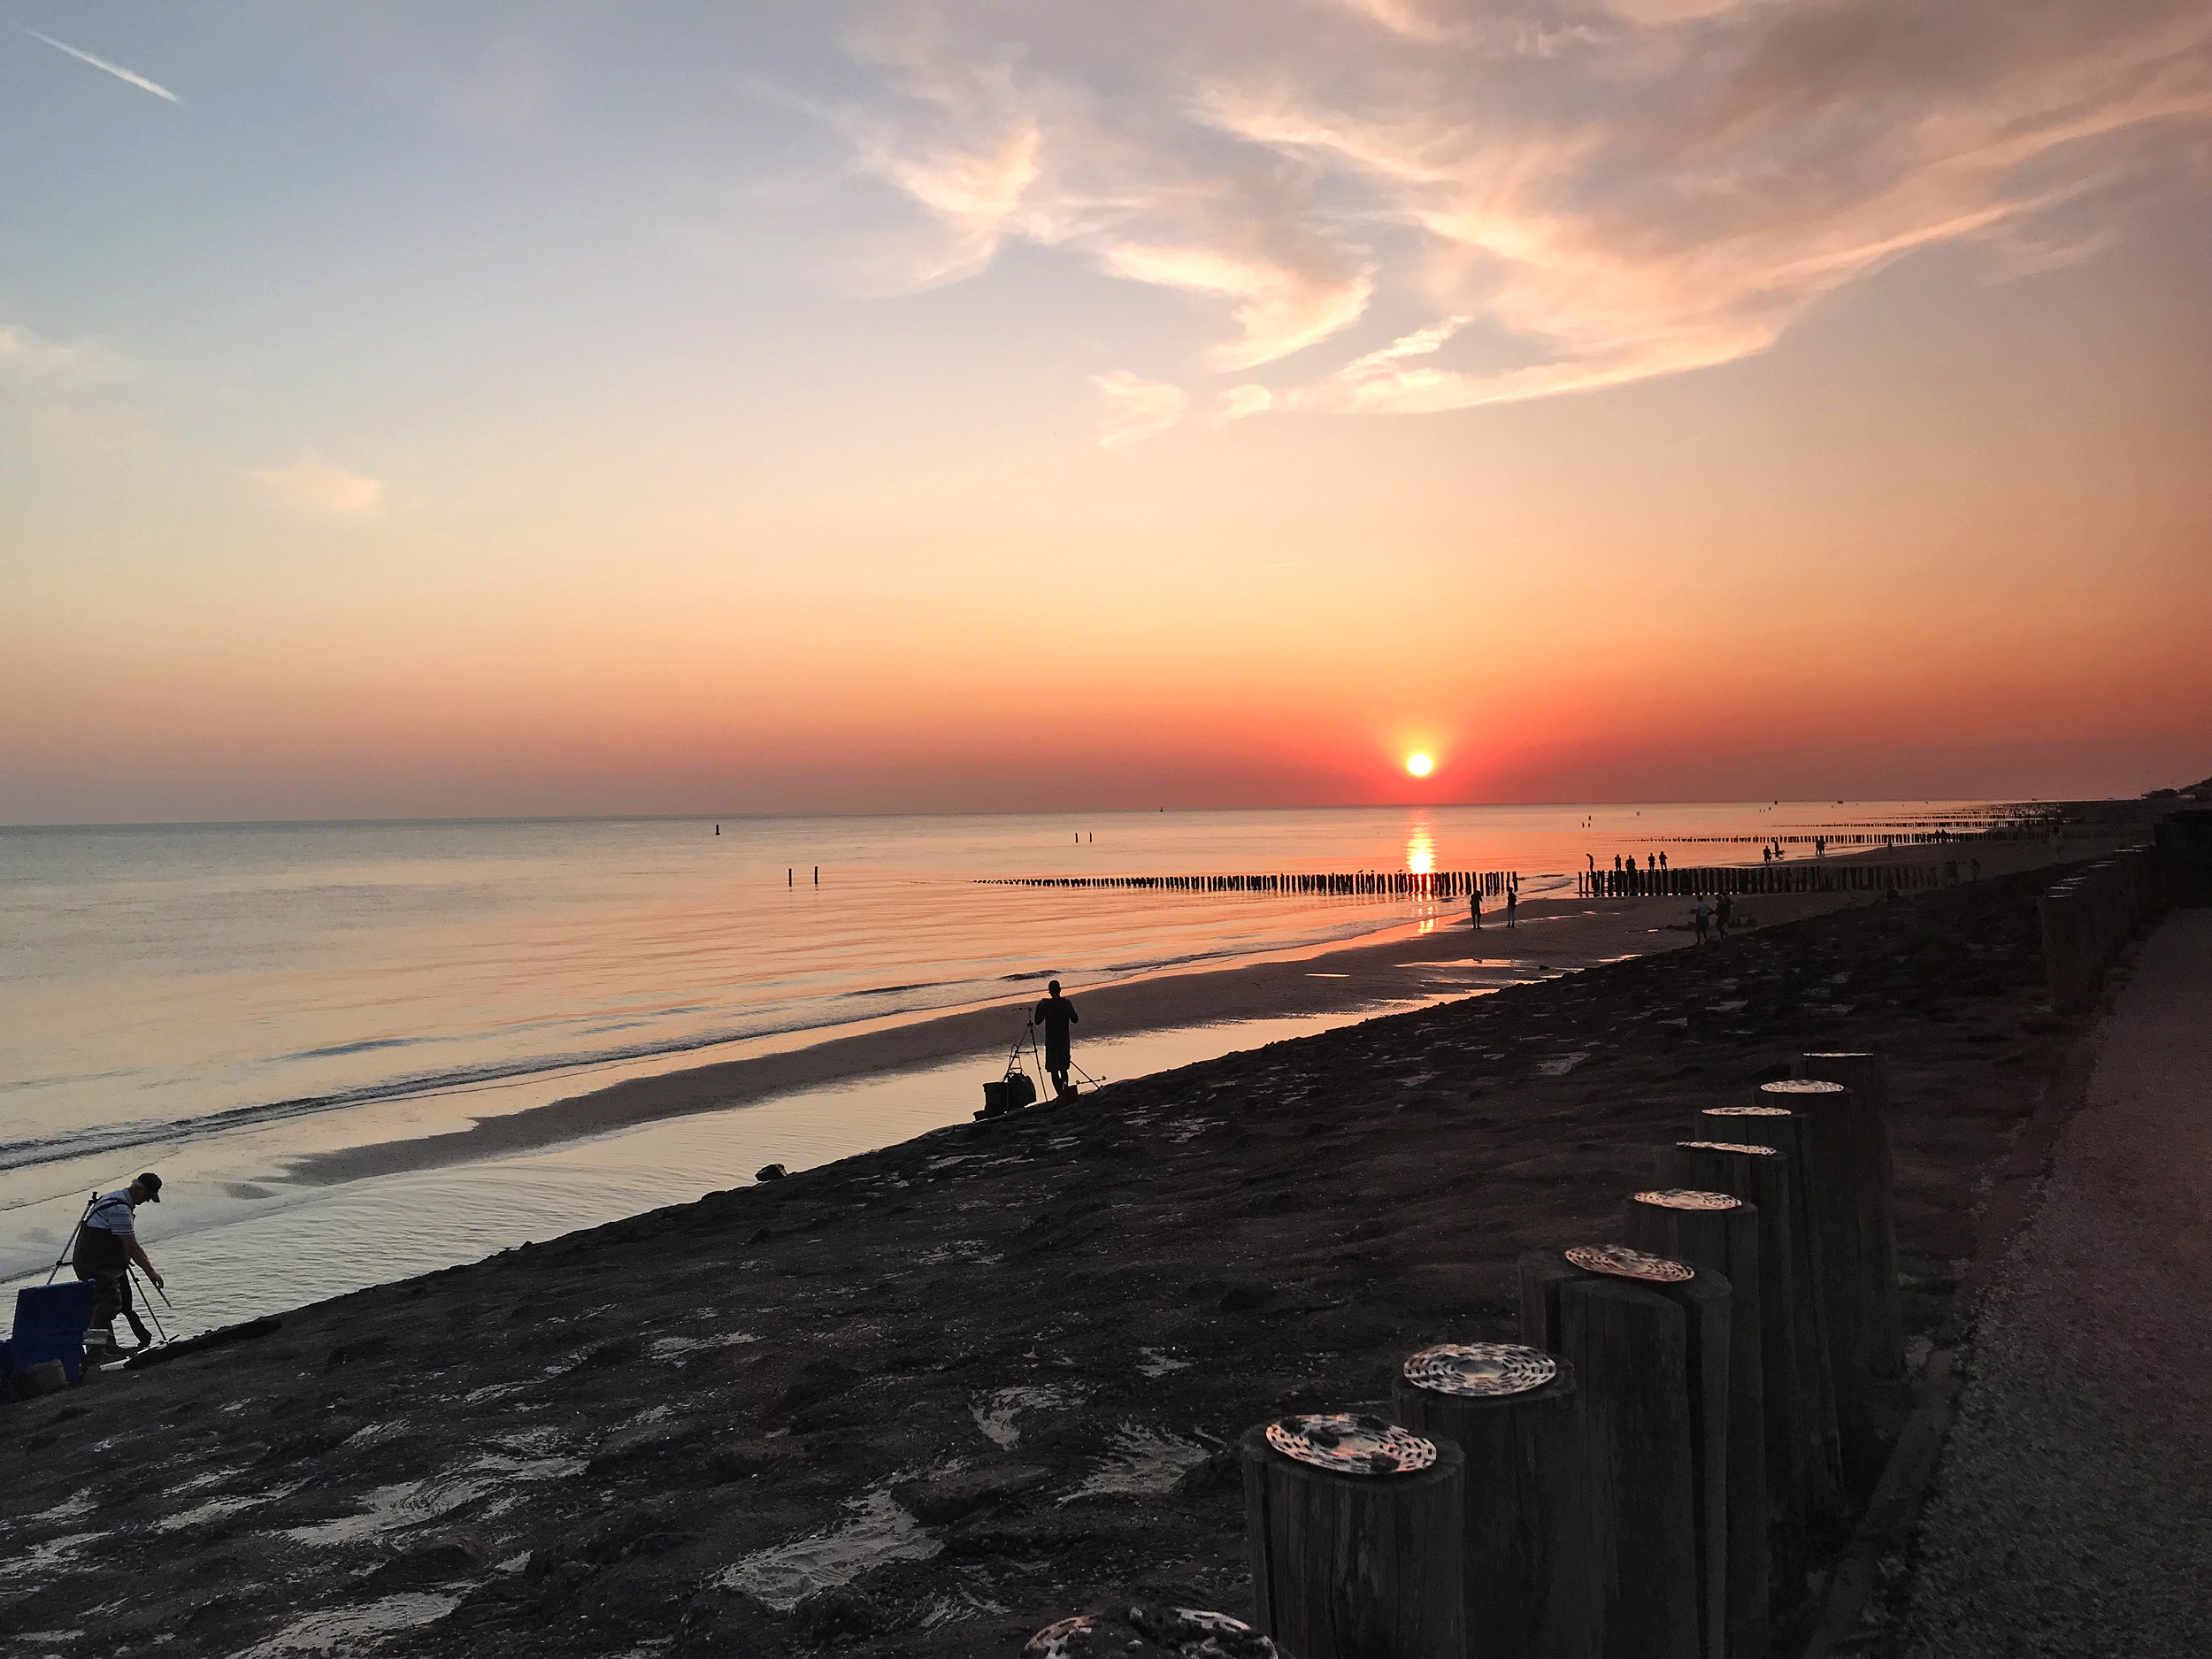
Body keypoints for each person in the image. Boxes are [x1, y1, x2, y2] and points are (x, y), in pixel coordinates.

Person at [73, 1172, 164, 1356]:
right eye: (148, 1195)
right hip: (93, 1263)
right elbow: (132, 1246)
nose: (147, 1200)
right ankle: (94, 1351)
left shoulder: (114, 1197)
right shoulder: (120, 1209)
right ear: (138, 1189)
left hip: (103, 1260)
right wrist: (151, 1273)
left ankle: (108, 1346)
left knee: (113, 1301)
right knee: (108, 1303)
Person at [1031, 980, 1079, 1097]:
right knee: (1063, 1069)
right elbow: (1075, 1019)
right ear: (1060, 990)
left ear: (1050, 992)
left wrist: (1040, 1006)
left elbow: (1037, 1021)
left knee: (1054, 1070)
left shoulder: (1046, 1005)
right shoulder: (1065, 1003)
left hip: (1052, 1041)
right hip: (1063, 1040)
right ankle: (1065, 1091)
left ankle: (1060, 1094)